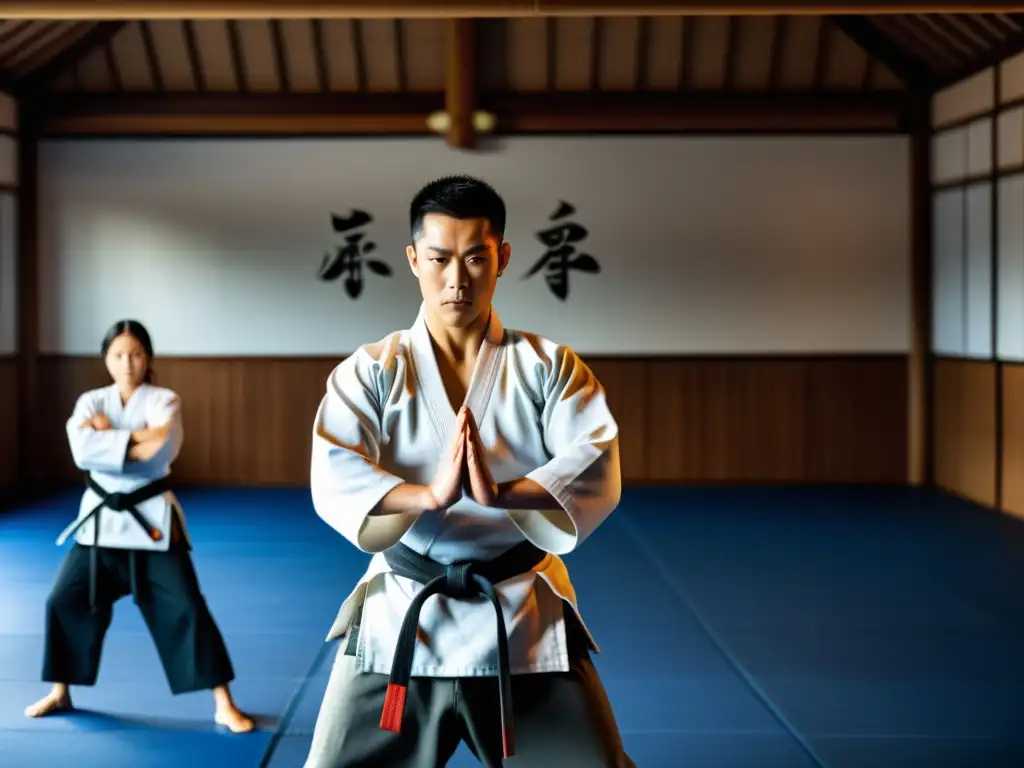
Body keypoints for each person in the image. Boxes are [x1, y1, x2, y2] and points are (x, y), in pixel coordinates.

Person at [304, 175, 634, 767]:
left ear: (502, 257)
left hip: (520, 614)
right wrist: (424, 495)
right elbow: (334, 469)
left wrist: (504, 492)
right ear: (413, 259)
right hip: (403, 612)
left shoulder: (548, 368)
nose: (457, 279)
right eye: (439, 259)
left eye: (476, 258)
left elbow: (595, 457)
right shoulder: (371, 370)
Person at [24, 319, 254, 734]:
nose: (127, 363)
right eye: (118, 355)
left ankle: (223, 702)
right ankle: (62, 690)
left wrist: (109, 438)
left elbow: (160, 449)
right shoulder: (91, 400)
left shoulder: (165, 399)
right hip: (99, 523)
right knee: (64, 600)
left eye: (135, 354)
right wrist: (135, 439)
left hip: (151, 521)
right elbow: (82, 452)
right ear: (105, 359)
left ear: (147, 358)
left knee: (186, 607)